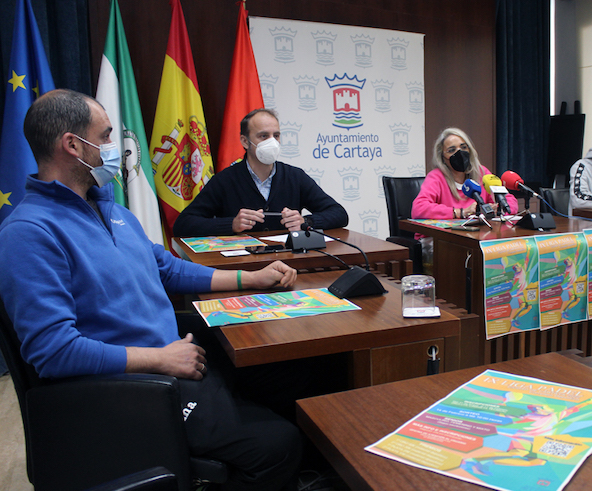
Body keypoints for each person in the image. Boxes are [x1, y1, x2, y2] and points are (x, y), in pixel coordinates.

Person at [0, 89, 301, 490]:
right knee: (279, 444)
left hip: (175, 361)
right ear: (72, 145)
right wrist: (159, 360)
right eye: (105, 137)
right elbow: (53, 352)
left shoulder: (111, 210)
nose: (114, 148)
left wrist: (254, 279)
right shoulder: (29, 233)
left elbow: (168, 270)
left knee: (295, 380)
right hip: (134, 390)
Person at [173, 108, 348, 236]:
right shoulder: (225, 180)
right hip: (244, 266)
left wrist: (305, 222)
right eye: (263, 136)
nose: (272, 142)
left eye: (276, 135)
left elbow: (339, 214)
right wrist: (231, 224)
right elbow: (184, 224)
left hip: (290, 262)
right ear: (245, 141)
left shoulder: (295, 176)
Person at [412, 127, 518, 220]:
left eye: (463, 147)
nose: (460, 153)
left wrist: (499, 209)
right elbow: (418, 209)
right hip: (441, 238)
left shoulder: (482, 173)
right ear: (443, 158)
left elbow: (510, 202)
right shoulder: (436, 177)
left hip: (477, 234)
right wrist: (461, 212)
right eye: (452, 150)